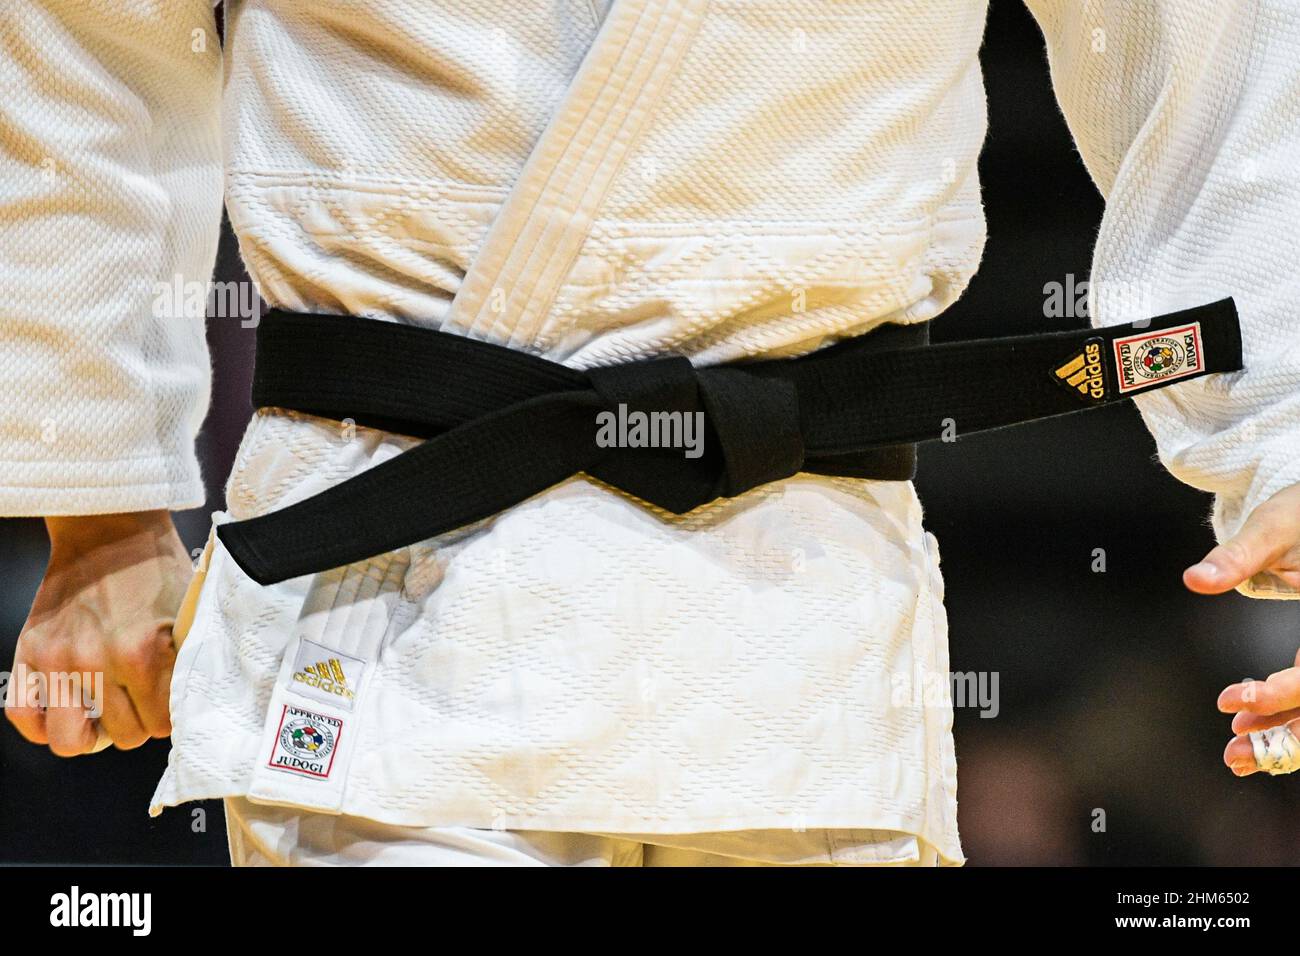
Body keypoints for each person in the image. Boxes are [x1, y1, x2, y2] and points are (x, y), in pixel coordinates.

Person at [3, 0, 1298, 867]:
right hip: (384, 607)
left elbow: (1219, 58)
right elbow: (86, 39)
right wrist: (101, 501)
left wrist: (1288, 456)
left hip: (802, 646)